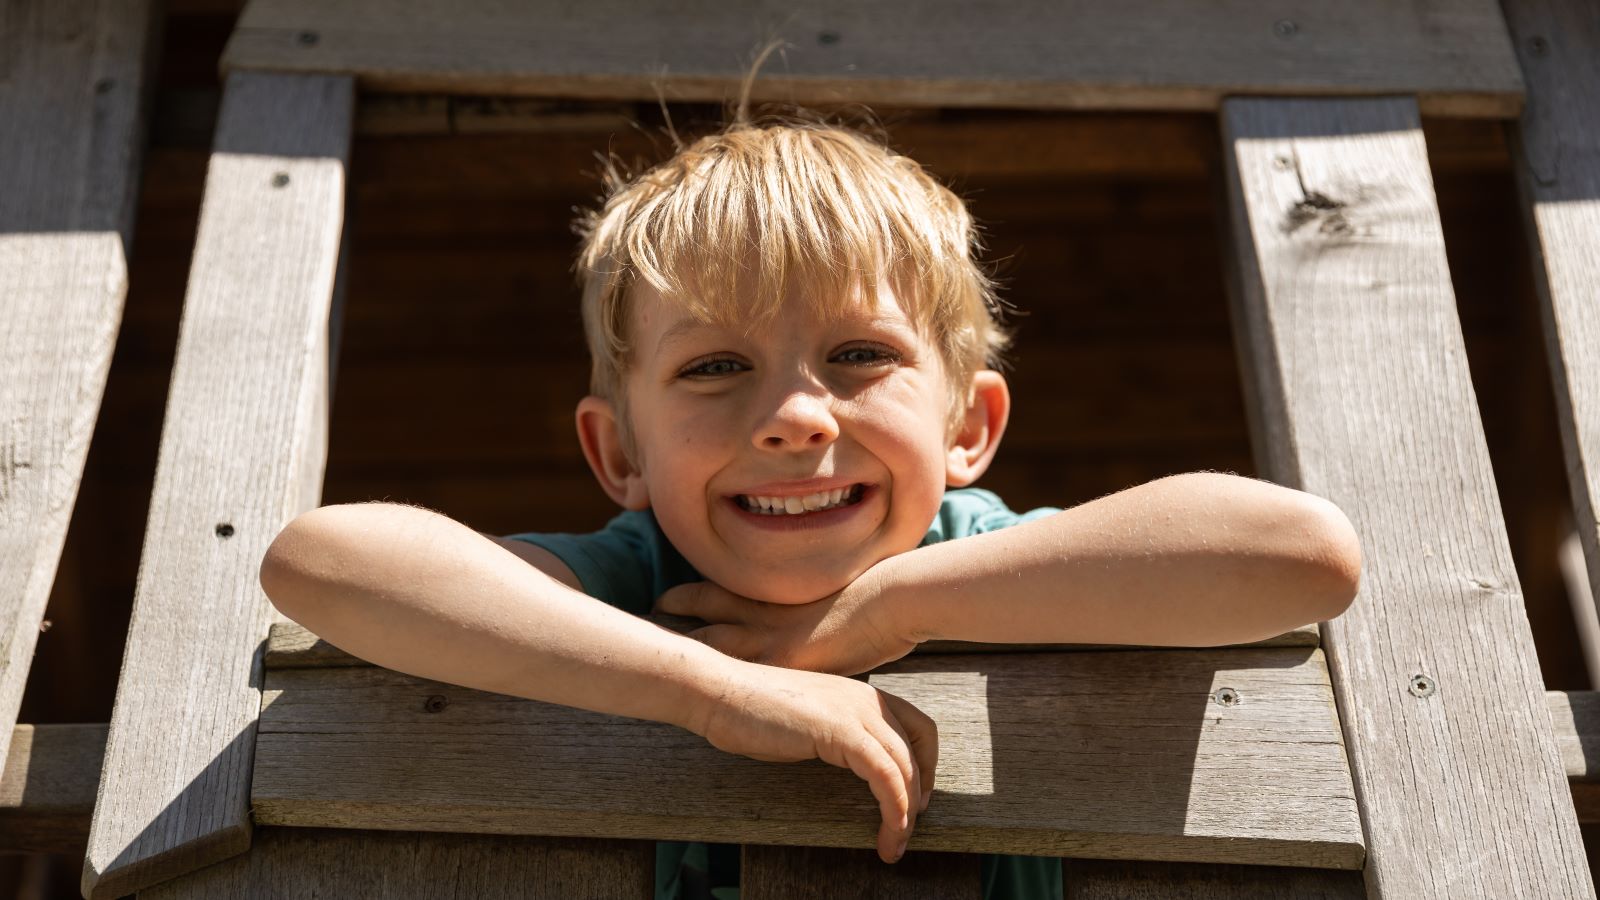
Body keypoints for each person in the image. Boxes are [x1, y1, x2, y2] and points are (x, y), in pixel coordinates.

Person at [259, 100, 1362, 900]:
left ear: (969, 427)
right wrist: (707, 690)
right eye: (713, 367)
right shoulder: (640, 580)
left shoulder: (991, 555)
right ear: (619, 455)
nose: (794, 416)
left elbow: (1300, 553)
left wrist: (884, 613)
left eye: (856, 353)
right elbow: (324, 562)